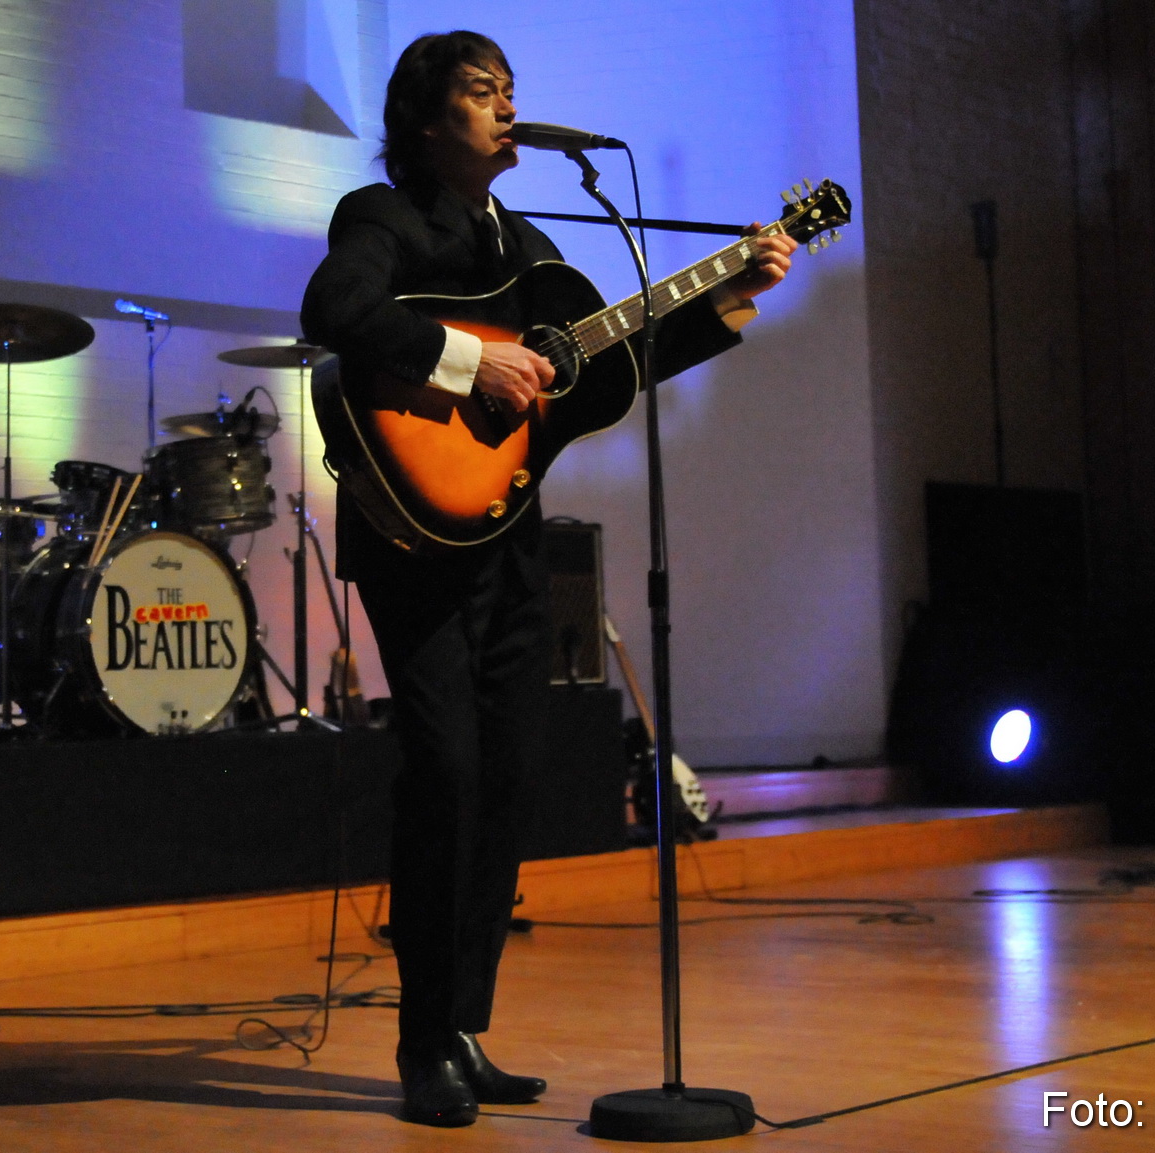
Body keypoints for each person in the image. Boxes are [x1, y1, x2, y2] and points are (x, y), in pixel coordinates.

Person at [299, 30, 795, 1128]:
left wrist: (726, 297)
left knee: (510, 773)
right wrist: (473, 361)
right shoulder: (382, 218)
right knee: (444, 771)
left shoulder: (525, 244)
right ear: (425, 119)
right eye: (481, 92)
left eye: (510, 91)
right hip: (413, 541)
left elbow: (602, 368)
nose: (506, 108)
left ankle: (464, 1026)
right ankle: (421, 1042)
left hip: (511, 538)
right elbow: (334, 314)